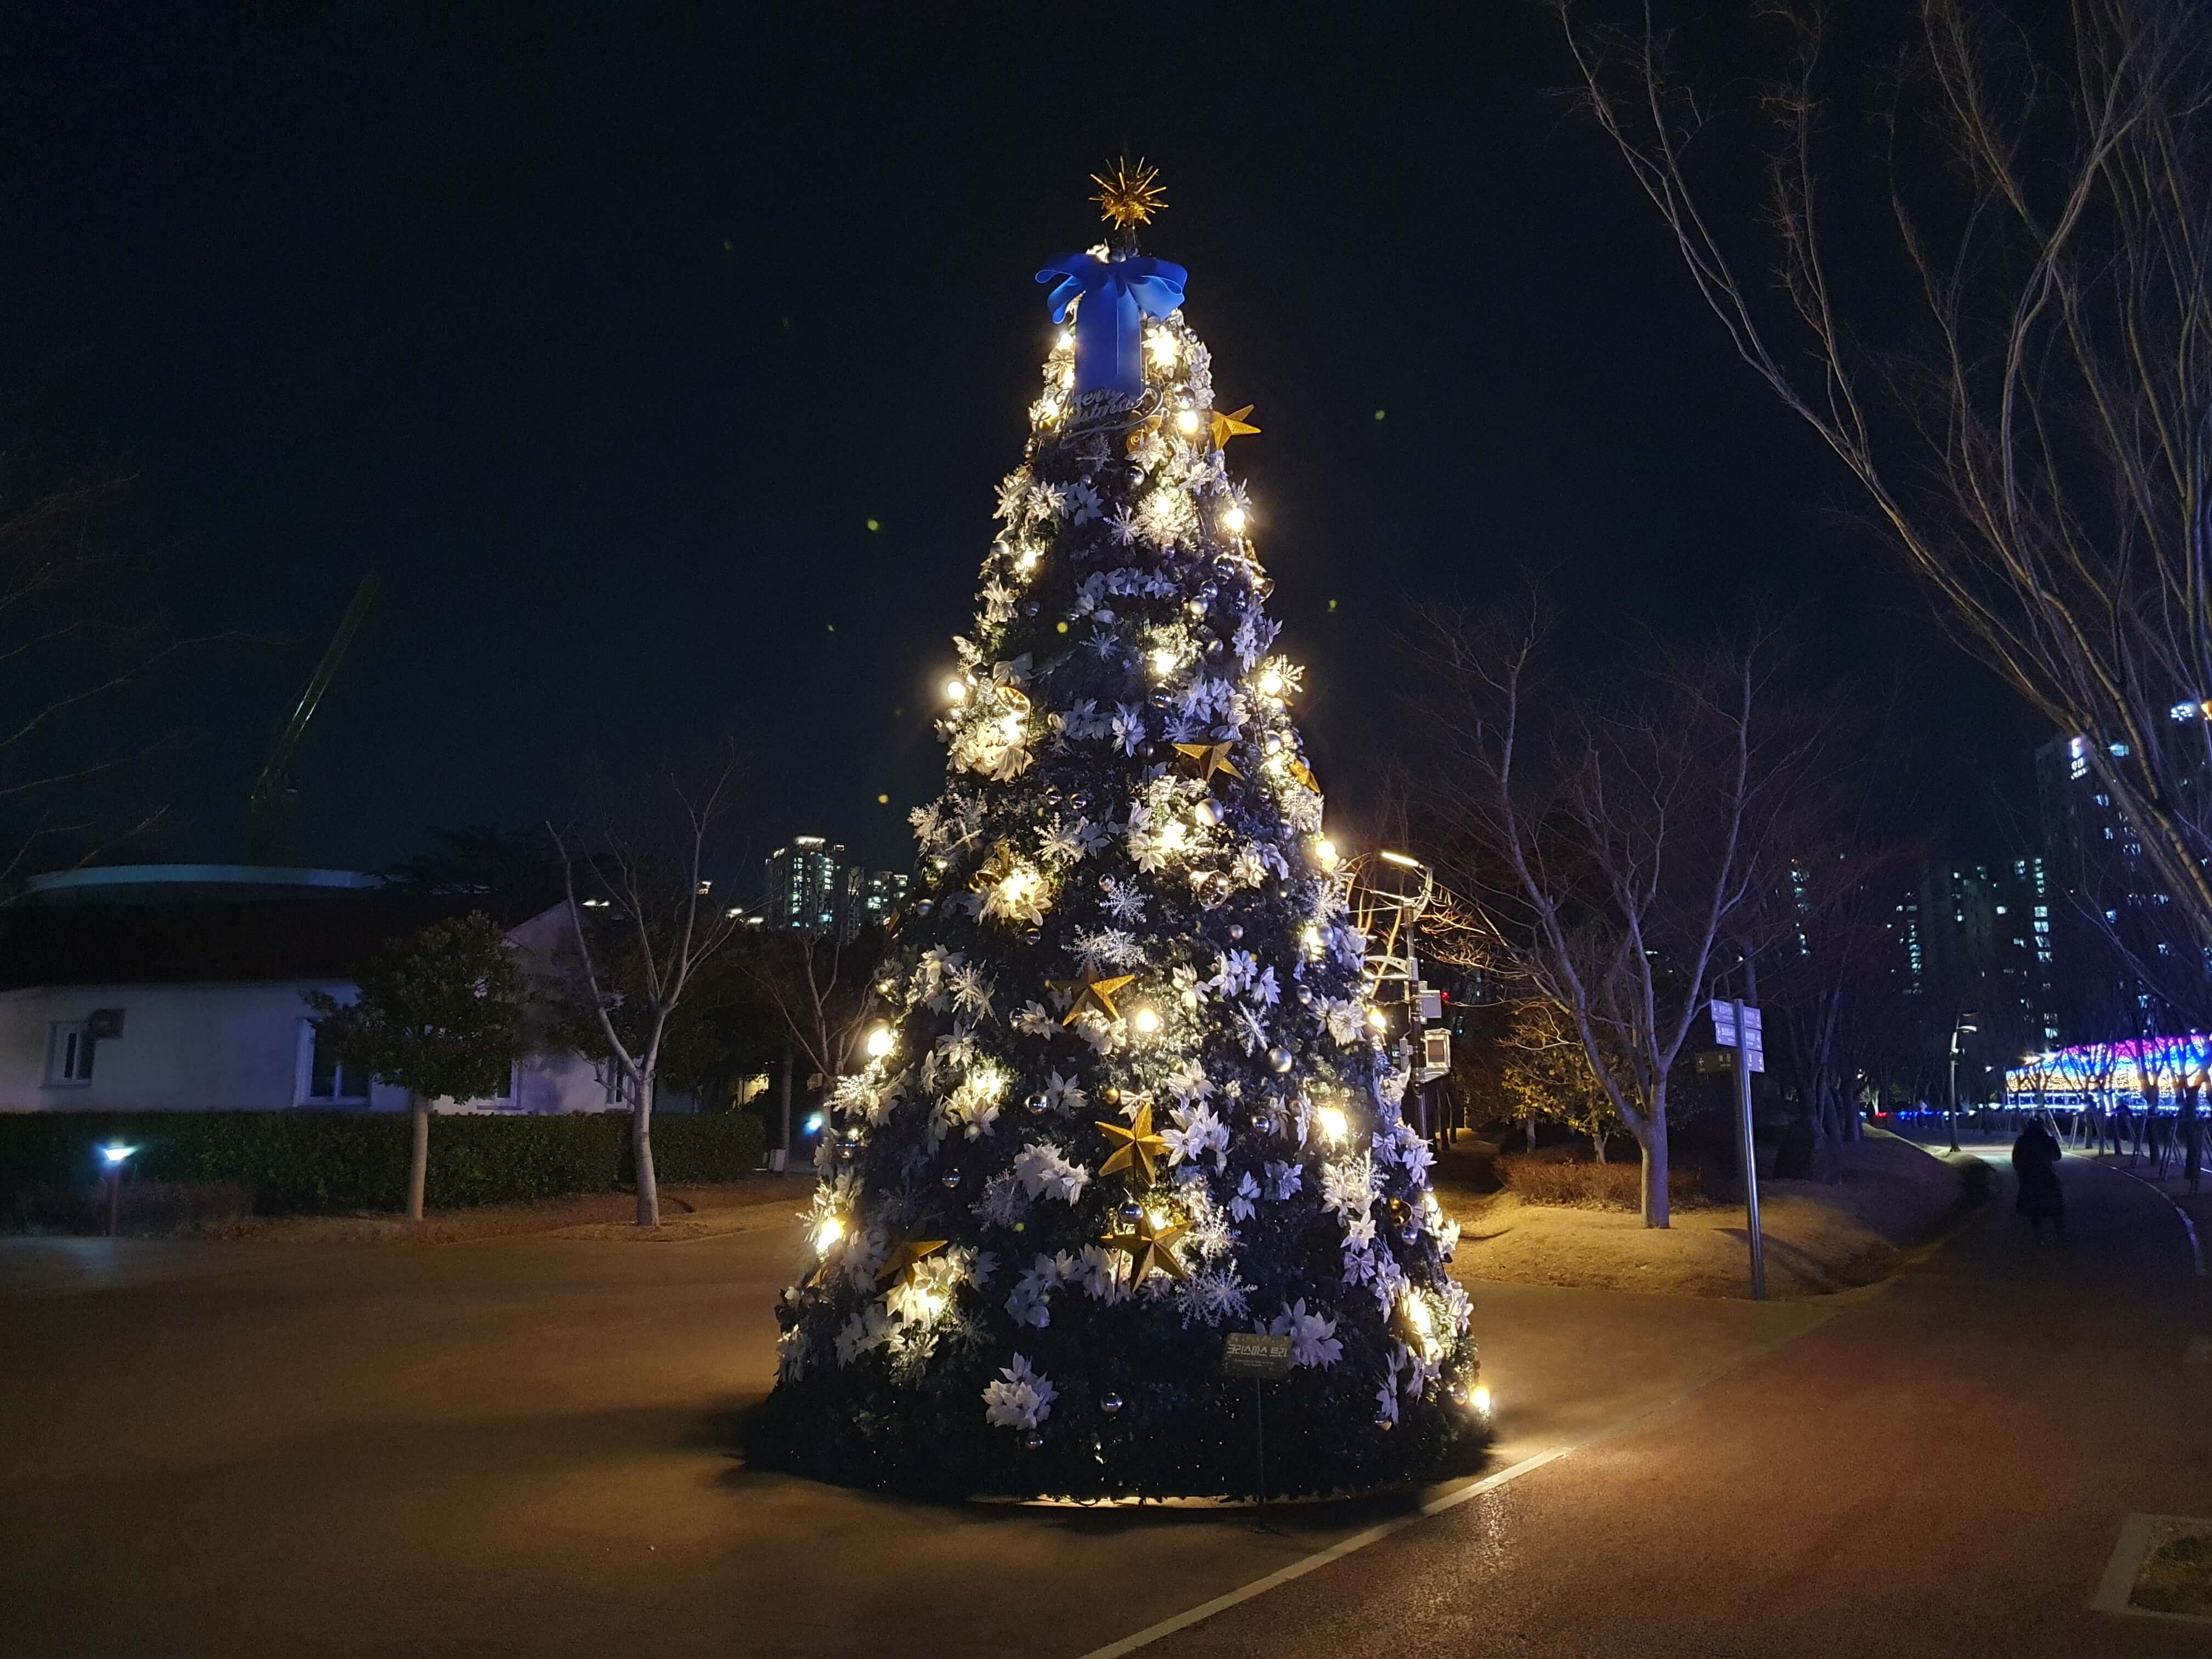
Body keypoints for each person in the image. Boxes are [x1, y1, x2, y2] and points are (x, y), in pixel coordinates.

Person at [2013, 1117, 2066, 1243]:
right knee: (2055, 1206)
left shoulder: (2022, 1140)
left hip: (2029, 1176)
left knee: (2034, 1208)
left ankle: (2039, 1236)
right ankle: (2060, 1234)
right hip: (2047, 1174)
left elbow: (2016, 1159)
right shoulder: (2048, 1139)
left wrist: (2021, 1173)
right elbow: (2057, 1156)